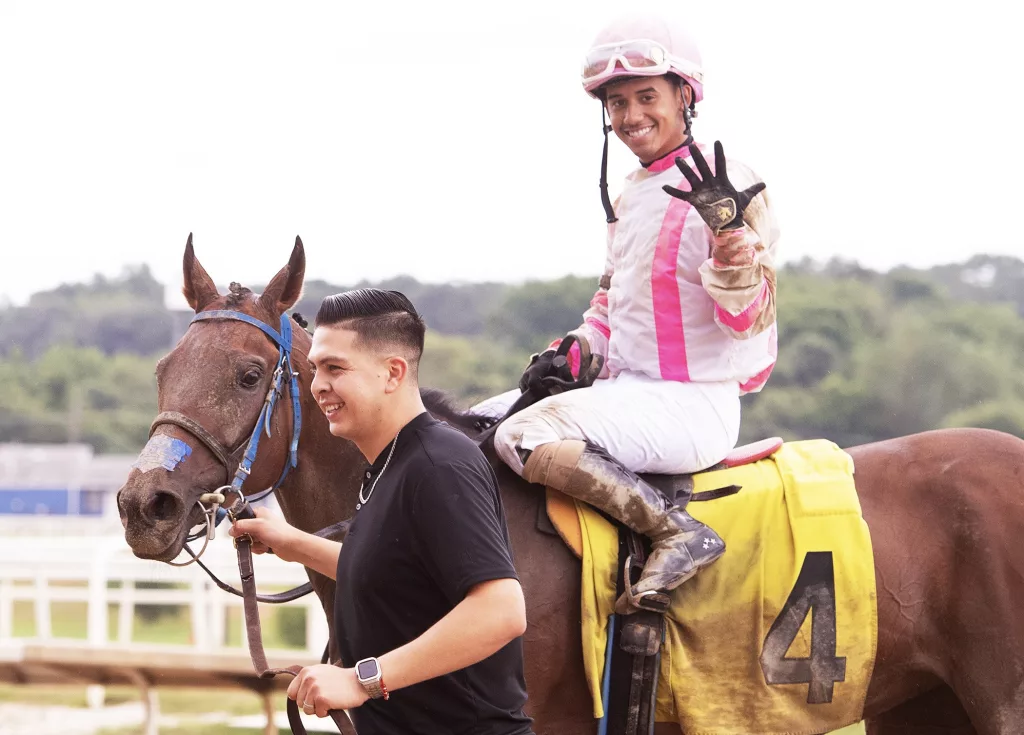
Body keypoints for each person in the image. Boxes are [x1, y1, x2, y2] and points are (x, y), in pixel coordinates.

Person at [474, 12, 780, 614]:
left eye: (647, 97)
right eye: (617, 103)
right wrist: (577, 346)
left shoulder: (731, 181)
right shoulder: (632, 192)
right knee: (468, 428)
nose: (631, 116)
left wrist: (732, 245)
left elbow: (749, 318)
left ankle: (677, 532)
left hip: (691, 404)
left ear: (684, 97)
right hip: (628, 394)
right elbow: (611, 303)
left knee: (520, 434)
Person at [231, 289, 534, 735]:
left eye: (335, 368)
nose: (318, 386)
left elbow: (501, 610)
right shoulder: (391, 464)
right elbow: (392, 575)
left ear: (392, 373)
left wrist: (360, 680)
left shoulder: (439, 465)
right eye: (315, 369)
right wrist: (291, 544)